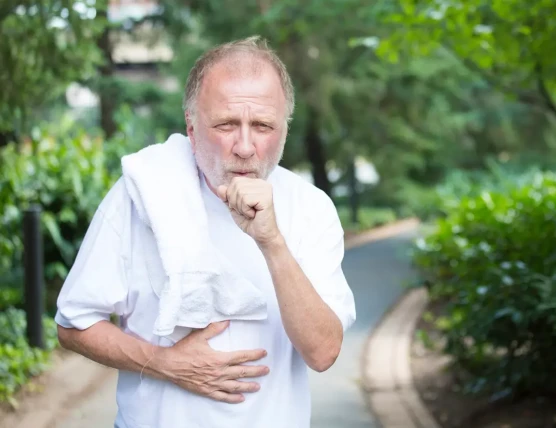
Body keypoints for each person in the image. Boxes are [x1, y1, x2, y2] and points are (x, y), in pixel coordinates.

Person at [55, 35, 356, 428]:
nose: (245, 147)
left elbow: (323, 352)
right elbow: (73, 323)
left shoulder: (311, 209)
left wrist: (272, 242)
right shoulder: (142, 192)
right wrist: (164, 364)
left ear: (284, 130)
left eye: (263, 125)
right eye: (227, 124)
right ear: (192, 127)